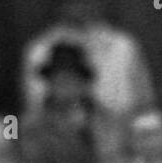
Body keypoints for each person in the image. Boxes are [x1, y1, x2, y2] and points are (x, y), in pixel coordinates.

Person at [22, 0, 155, 118]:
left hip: (121, 141)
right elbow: (34, 108)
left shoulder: (124, 46)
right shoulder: (40, 51)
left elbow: (145, 108)